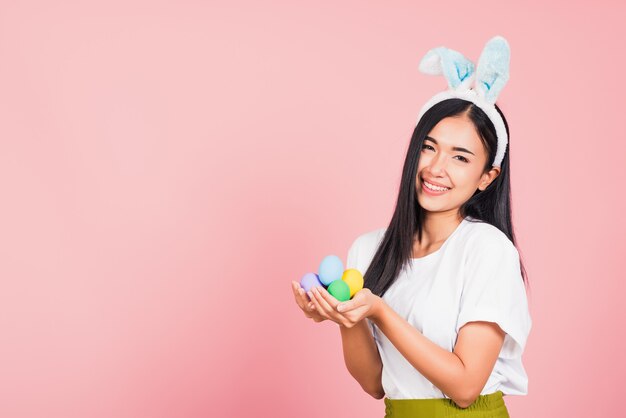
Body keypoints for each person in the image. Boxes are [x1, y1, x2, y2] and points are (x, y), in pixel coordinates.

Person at [291, 35, 532, 417]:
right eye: (429, 146)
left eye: (461, 157)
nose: (436, 168)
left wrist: (379, 311)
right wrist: (345, 315)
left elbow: (467, 387)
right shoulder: (369, 249)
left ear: (487, 177)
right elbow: (373, 383)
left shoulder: (487, 249)